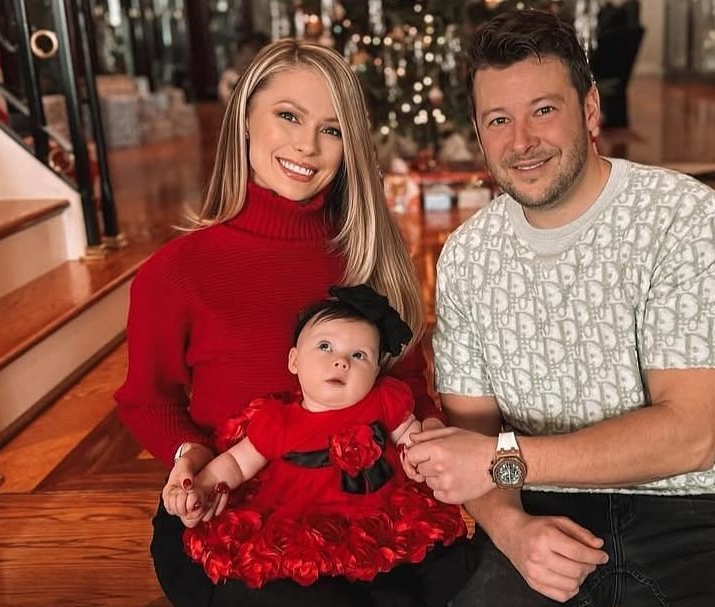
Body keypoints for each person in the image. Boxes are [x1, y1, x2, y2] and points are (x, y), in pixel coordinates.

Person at [405, 10, 715, 607]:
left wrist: (504, 461)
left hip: (691, 511)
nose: (521, 142)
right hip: (537, 509)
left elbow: (690, 435)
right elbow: (473, 440)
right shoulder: (465, 257)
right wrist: (512, 531)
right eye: (498, 120)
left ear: (589, 110)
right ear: (480, 136)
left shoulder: (683, 217)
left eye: (543, 110)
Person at [115, 39, 459, 606]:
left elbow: (408, 387)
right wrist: (188, 455)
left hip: (366, 509)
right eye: (288, 116)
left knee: (463, 580)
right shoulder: (177, 272)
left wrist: (420, 432)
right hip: (240, 518)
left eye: (332, 129)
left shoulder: (369, 254)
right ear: (246, 118)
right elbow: (147, 401)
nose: (307, 144)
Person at [181, 285, 465, 595]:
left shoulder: (383, 400)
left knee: (438, 568)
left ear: (375, 372)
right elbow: (237, 462)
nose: (341, 361)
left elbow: (409, 434)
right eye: (325, 347)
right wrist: (204, 485)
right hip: (302, 519)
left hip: (376, 516)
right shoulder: (278, 420)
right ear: (294, 361)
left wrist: (417, 452)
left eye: (359, 355)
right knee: (302, 584)